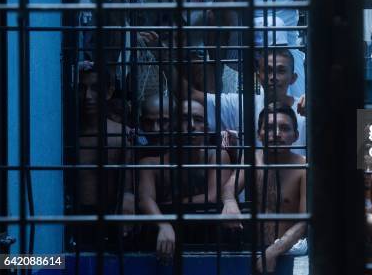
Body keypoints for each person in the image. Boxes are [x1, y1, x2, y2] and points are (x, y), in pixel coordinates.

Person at [138, 95, 232, 263]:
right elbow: (144, 199)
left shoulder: (217, 157)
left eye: (198, 120)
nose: (191, 126)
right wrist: (163, 224)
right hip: (162, 243)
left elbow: (212, 197)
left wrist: (167, 205)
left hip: (207, 240)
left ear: (206, 128)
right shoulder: (150, 164)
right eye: (184, 119)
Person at [221, 103, 307, 273]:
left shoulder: (304, 167)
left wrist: (273, 252)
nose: (276, 134)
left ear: (296, 135)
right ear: (259, 135)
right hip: (251, 250)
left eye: (284, 128)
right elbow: (229, 186)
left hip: (288, 252)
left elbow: (304, 222)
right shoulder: (251, 159)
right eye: (268, 128)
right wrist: (229, 202)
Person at [191, 48, 307, 156]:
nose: (273, 77)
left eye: (281, 71)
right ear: (258, 76)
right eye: (268, 70)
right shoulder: (242, 104)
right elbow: (192, 95)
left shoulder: (305, 110)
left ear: (293, 78)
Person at [76, 68, 135, 244]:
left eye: (95, 88)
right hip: (70, 215)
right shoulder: (65, 134)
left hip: (109, 219)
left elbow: (127, 186)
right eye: (81, 88)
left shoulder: (121, 135)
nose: (87, 96)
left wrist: (127, 198)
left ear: (109, 92)